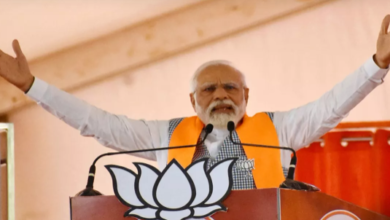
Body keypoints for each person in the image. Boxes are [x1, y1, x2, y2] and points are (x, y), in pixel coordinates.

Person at [0, 15, 389, 190]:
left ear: (246, 96)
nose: (220, 95)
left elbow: (332, 105)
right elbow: (96, 123)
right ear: (192, 99)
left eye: (230, 88)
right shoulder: (164, 135)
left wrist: (376, 66)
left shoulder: (280, 129)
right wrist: (33, 86)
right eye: (209, 89)